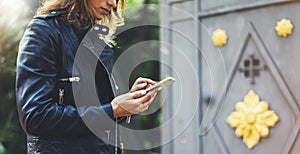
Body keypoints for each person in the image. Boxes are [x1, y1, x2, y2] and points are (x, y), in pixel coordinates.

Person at [15, 0, 159, 153]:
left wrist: (126, 104)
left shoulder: (96, 40)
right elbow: (36, 117)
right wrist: (112, 110)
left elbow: (97, 110)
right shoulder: (43, 31)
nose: (113, 4)